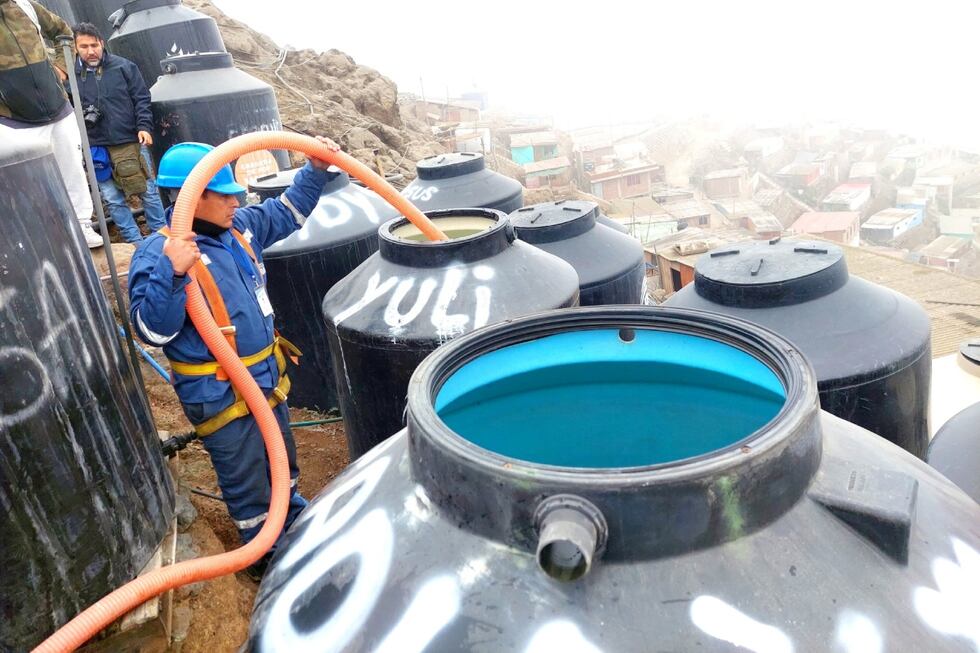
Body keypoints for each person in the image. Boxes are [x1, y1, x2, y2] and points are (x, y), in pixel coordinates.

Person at [128, 138, 338, 577]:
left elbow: (288, 211)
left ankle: (292, 517)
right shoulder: (159, 254)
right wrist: (173, 271)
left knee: (281, 456)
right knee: (246, 473)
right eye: (222, 193)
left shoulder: (240, 229)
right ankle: (264, 556)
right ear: (190, 195)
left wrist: (316, 171)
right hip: (219, 391)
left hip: (265, 377)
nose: (234, 199)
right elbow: (152, 329)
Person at [0, 0, 101, 248]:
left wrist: (61, 67)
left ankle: (82, 225)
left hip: (58, 106)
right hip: (13, 118)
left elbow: (64, 32)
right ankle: (44, 240)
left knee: (74, 171)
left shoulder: (27, 6)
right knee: (26, 183)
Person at [71, 22, 166, 244]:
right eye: (83, 46)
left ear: (102, 43)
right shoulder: (69, 76)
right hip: (94, 145)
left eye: (94, 45)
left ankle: (162, 237)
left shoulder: (124, 67)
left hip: (129, 140)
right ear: (75, 47)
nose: (90, 51)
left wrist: (144, 127)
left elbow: (141, 98)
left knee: (148, 192)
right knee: (112, 199)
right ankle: (136, 244)